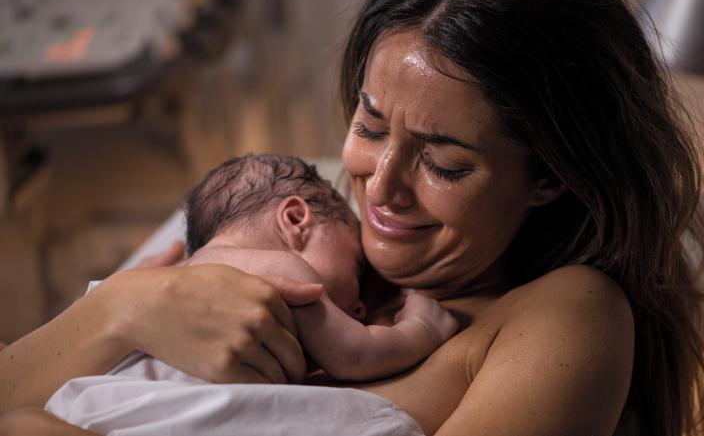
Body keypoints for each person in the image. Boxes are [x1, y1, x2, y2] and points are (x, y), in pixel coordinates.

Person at [1, 0, 704, 435]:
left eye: (443, 163)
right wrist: (128, 304)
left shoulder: (566, 315)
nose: (382, 184)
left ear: (549, 175)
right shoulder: (274, 238)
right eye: (370, 125)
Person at [109, 153, 457, 383]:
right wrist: (422, 327)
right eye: (356, 265)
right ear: (295, 221)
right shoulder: (284, 270)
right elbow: (356, 354)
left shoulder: (157, 279)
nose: (361, 306)